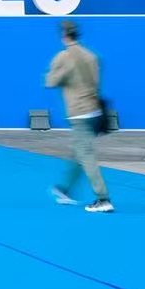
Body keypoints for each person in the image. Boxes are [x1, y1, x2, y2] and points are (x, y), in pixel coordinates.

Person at [45, 19, 114, 213]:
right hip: (94, 111)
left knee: (85, 154)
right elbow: (96, 84)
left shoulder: (63, 57)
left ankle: (103, 198)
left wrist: (57, 75)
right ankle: (65, 190)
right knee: (79, 151)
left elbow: (51, 82)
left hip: (78, 112)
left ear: (64, 35)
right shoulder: (92, 56)